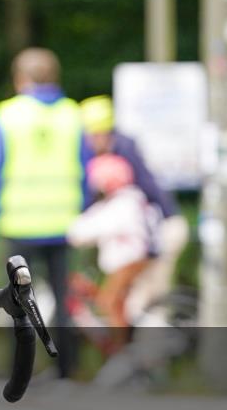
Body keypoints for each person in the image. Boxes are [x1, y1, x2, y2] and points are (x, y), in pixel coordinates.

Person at [0, 48, 88, 379]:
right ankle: (66, 371)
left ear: (21, 79)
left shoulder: (7, 114)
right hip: (63, 222)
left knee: (19, 300)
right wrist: (81, 210)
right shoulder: (73, 114)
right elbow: (86, 168)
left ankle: (20, 370)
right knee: (63, 298)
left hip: (20, 221)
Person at [79, 95, 189, 325]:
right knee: (133, 299)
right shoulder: (119, 147)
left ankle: (154, 353)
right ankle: (144, 351)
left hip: (163, 228)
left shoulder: (123, 155)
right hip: (155, 228)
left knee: (146, 299)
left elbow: (134, 201)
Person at [67, 153, 159, 330]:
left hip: (128, 264)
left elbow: (89, 228)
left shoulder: (122, 204)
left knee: (110, 305)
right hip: (135, 262)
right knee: (118, 305)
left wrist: (69, 228)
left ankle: (122, 350)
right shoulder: (130, 199)